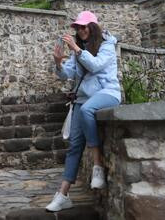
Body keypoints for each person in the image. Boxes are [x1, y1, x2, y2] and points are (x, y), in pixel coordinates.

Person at [45, 11, 121, 212]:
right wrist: (58, 62)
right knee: (74, 146)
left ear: (93, 27)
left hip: (108, 93)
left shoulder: (107, 45)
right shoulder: (79, 49)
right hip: (83, 98)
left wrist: (77, 49)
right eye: (78, 27)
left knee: (87, 109)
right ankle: (62, 194)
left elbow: (95, 66)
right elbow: (67, 74)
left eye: (84, 26)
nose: (80, 30)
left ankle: (97, 165)